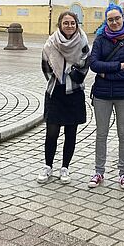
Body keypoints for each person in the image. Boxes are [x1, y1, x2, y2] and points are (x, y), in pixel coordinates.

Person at [88, 3, 124, 190]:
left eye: (117, 18)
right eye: (110, 19)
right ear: (106, 21)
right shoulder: (100, 39)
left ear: (123, 18)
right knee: (101, 134)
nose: (114, 22)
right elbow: (93, 64)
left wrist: (105, 73)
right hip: (102, 94)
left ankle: (123, 173)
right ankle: (98, 171)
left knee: (123, 134)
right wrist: (118, 66)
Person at [38, 11, 90, 184]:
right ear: (59, 25)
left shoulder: (82, 42)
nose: (69, 26)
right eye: (66, 23)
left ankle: (65, 167)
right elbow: (45, 66)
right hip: (55, 92)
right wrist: (59, 77)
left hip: (74, 92)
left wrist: (71, 76)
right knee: (51, 132)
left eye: (72, 23)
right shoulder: (51, 43)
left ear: (77, 24)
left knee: (71, 133)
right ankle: (48, 166)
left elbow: (84, 64)